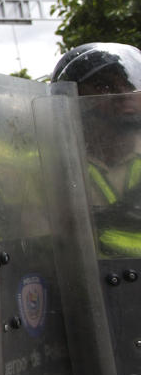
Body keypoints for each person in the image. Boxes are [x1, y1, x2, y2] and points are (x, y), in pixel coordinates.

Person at [51, 42, 141, 257]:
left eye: (129, 85)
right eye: (103, 87)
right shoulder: (48, 169)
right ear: (71, 100)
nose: (124, 94)